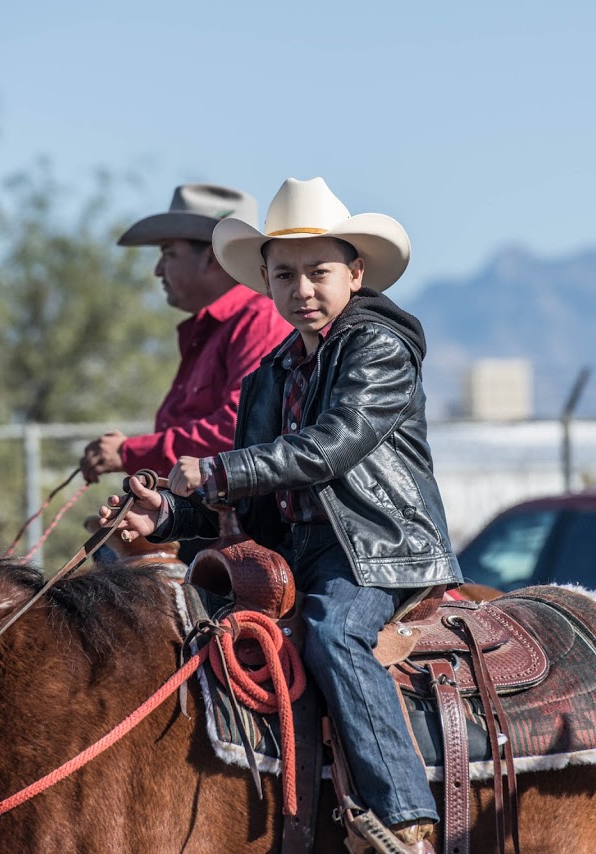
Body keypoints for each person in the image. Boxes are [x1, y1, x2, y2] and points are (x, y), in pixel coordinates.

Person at [101, 177, 462, 853]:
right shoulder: (270, 373)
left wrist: (216, 469)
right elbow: (255, 503)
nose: (303, 290)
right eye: (285, 274)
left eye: (320, 272)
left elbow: (328, 448)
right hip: (297, 547)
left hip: (378, 549)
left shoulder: (377, 350)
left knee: (334, 634)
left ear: (355, 273)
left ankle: (406, 818)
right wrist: (169, 518)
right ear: (266, 281)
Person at [80, 183, 291, 485]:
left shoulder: (260, 319)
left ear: (211, 258)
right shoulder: (218, 328)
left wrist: (130, 452)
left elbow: (239, 427)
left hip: (238, 529)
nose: (157, 270)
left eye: (168, 253)